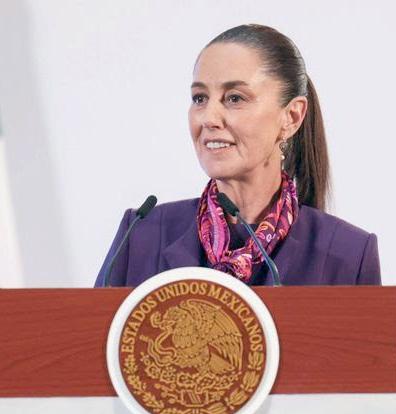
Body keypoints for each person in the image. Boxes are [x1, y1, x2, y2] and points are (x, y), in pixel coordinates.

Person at [95, 24, 381, 288]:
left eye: (234, 98)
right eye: (200, 98)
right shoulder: (140, 235)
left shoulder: (350, 254)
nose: (209, 118)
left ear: (292, 117)